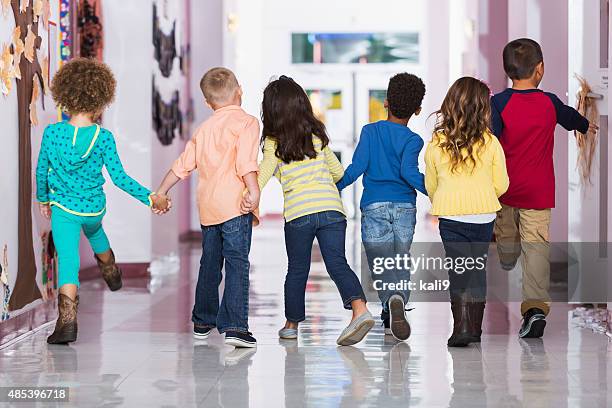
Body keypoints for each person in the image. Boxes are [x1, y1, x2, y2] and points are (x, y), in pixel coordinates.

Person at [36, 58, 170, 345]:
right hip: (93, 208)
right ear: (100, 98)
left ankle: (67, 324)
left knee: (69, 262)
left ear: (65, 95)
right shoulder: (104, 138)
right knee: (96, 232)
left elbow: (41, 170)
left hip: (63, 210)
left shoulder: (52, 133)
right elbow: (120, 178)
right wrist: (151, 198)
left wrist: (42, 199)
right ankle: (110, 267)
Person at [242, 75, 374, 346]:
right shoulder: (316, 136)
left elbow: (264, 173)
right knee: (337, 262)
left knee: (297, 269)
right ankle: (360, 310)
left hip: (299, 213)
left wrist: (248, 194)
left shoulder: (273, 142)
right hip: (331, 210)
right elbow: (337, 173)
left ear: (271, 110)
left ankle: (291, 326)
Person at [491, 38, 596, 338]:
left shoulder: (498, 104)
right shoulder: (550, 102)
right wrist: (588, 126)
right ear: (540, 69)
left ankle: (511, 260)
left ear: (508, 71)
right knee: (536, 249)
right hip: (538, 193)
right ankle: (535, 307)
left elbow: (490, 141)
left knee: (507, 241)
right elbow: (571, 118)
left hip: (505, 192)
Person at [155, 67, 260, 348]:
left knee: (210, 263)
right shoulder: (248, 123)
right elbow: (246, 162)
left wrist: (161, 191)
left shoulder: (204, 129)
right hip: (236, 206)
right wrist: (254, 189)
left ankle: (203, 321)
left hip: (209, 208)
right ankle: (236, 327)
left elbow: (182, 166)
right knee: (237, 263)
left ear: (207, 102)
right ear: (240, 90)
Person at [336, 73, 427, 341]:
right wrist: (435, 191)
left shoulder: (370, 131)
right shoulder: (413, 140)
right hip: (405, 208)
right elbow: (410, 174)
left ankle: (389, 301)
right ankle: (396, 300)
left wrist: (335, 186)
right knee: (400, 258)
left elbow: (357, 168)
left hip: (374, 206)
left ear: (386, 102)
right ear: (417, 109)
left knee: (381, 261)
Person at [425, 77, 509, 347]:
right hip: (483, 216)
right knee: (477, 270)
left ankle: (460, 327)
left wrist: (443, 198)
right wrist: (483, 196)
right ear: (483, 108)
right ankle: (474, 329)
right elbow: (502, 184)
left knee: (458, 271)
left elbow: (431, 183)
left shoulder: (437, 143)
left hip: (451, 217)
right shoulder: (491, 142)